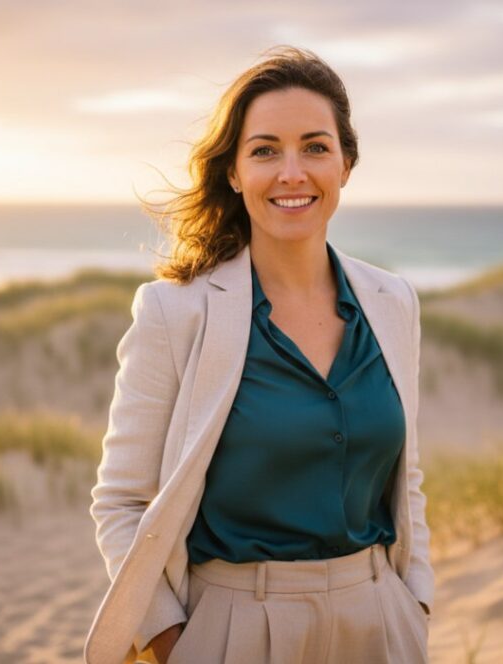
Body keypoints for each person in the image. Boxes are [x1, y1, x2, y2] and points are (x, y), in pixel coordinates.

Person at [84, 45, 434, 664]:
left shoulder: (393, 301)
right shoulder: (175, 312)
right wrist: (170, 641)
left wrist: (415, 604)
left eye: (315, 147)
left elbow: (405, 479)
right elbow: (122, 502)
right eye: (265, 150)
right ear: (234, 171)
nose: (292, 173)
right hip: (235, 628)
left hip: (380, 624)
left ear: (346, 164)